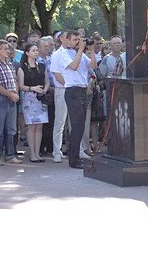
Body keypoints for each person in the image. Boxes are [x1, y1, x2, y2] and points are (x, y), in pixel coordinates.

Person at [50, 29, 95, 170]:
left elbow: (93, 66)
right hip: (72, 91)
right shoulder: (63, 54)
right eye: (75, 40)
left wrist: (91, 50)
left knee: (80, 125)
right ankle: (73, 159)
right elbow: (74, 67)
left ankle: (77, 156)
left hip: (82, 90)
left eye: (79, 40)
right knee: (76, 126)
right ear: (67, 40)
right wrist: (81, 50)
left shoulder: (78, 53)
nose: (78, 43)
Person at [0, 40, 21, 165]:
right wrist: (10, 94)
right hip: (0, 99)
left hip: (12, 99)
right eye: (5, 49)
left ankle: (10, 154)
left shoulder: (9, 64)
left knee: (11, 129)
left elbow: (15, 80)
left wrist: (15, 94)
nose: (8, 51)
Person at [18, 43, 49, 162]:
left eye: (37, 50)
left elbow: (46, 81)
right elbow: (21, 86)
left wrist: (45, 89)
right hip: (30, 98)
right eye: (33, 50)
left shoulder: (41, 66)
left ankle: (38, 153)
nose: (36, 52)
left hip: (41, 98)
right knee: (32, 127)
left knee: (39, 127)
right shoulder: (22, 67)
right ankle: (32, 154)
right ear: (27, 53)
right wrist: (33, 88)